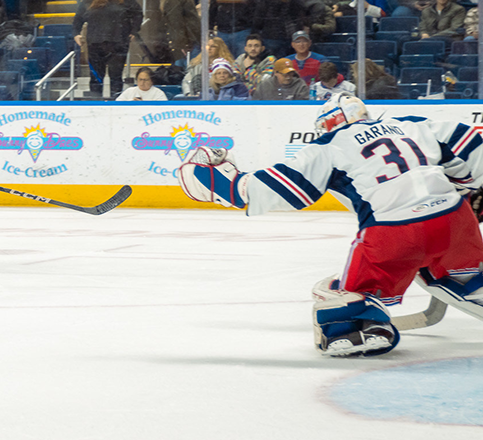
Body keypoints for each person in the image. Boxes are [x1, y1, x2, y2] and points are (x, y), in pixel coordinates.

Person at [177, 93, 483, 357]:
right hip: (458, 224)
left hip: (394, 233)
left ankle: (359, 327)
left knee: (336, 291)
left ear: (328, 123)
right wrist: (472, 189)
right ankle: (470, 280)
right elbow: (473, 149)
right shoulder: (413, 124)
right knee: (462, 268)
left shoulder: (329, 145)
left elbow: (259, 190)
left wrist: (204, 172)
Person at [74, 0, 141, 97]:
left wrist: (134, 30)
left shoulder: (126, 1)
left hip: (118, 43)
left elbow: (138, 14)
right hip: (95, 44)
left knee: (116, 77)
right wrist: (76, 34)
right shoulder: (88, 2)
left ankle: (115, 104)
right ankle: (95, 106)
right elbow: (78, 19)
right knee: (96, 78)